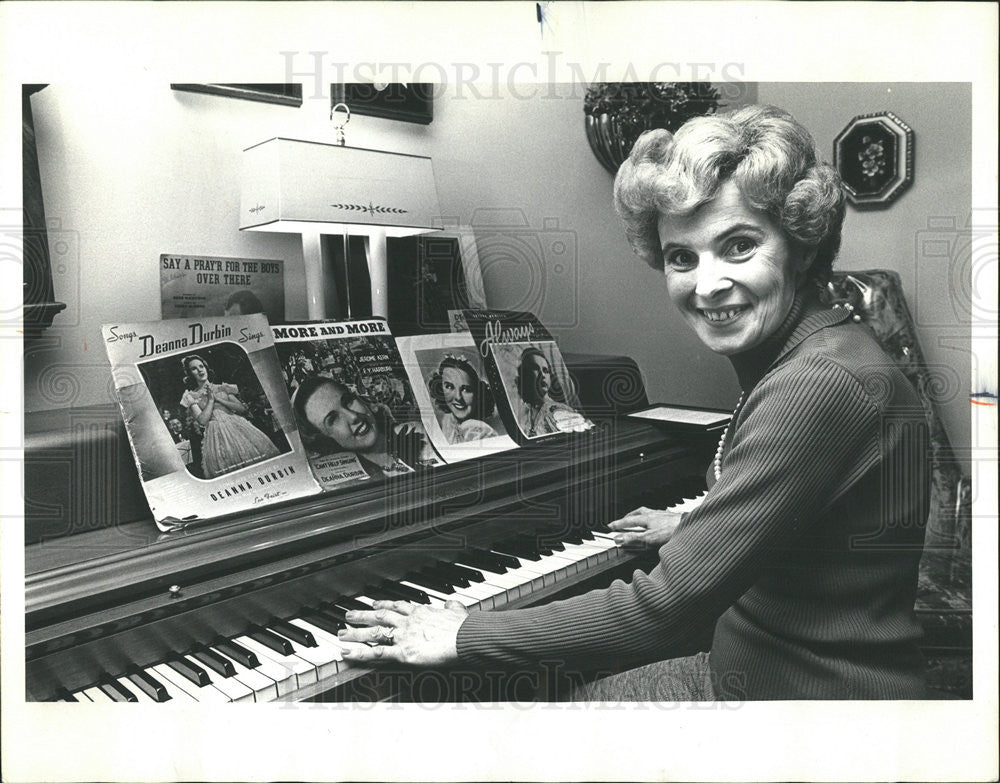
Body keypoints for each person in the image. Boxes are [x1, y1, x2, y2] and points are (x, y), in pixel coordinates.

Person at [333, 105, 931, 700]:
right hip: (764, 666)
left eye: (740, 245)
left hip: (805, 704)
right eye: (682, 257)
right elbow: (793, 510)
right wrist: (694, 525)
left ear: (801, 246)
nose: (707, 284)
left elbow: (660, 611)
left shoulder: (818, 384)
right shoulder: (818, 352)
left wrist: (465, 631)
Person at [292, 375, 437, 478]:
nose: (353, 416)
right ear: (323, 437)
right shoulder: (348, 483)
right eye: (334, 419)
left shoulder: (420, 431)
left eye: (348, 401)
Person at [179, 354, 280, 479]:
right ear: (190, 374)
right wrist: (211, 401)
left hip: (238, 427)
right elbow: (202, 421)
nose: (200, 370)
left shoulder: (223, 387)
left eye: (201, 366)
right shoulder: (191, 396)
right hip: (215, 434)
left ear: (206, 368)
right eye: (194, 368)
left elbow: (242, 409)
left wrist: (220, 400)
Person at [514, 347, 590, 436]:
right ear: (524, 375)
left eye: (546, 371)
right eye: (535, 368)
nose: (542, 375)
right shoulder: (521, 414)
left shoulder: (562, 410)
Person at [427, 355, 499, 443]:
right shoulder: (448, 420)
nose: (458, 397)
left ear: (478, 393)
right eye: (449, 387)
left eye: (466, 389)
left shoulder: (479, 432)